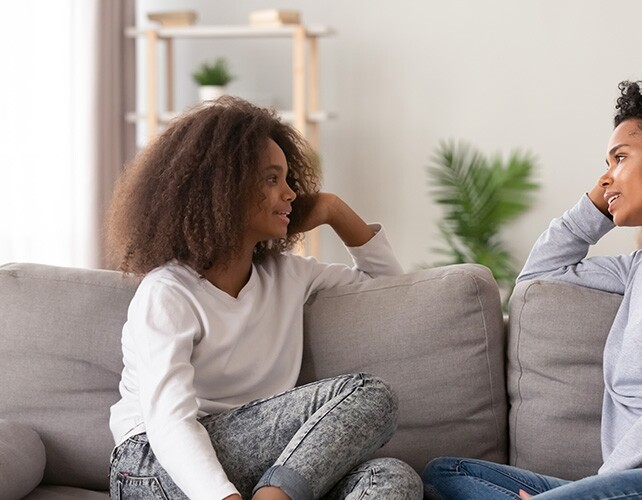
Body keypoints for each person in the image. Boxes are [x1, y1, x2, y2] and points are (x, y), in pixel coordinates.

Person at [422, 68, 642, 499]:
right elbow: (538, 277)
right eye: (605, 165)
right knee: (446, 473)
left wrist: (598, 488)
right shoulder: (641, 266)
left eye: (620, 158)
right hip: (635, 481)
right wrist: (596, 206)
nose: (606, 178)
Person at [106, 96, 422, 500]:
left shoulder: (290, 274)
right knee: (370, 395)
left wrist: (333, 210)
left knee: (391, 477)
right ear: (221, 189)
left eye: (289, 179)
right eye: (272, 179)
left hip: (253, 465)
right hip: (151, 466)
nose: (291, 193)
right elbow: (170, 423)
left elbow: (392, 290)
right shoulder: (167, 292)